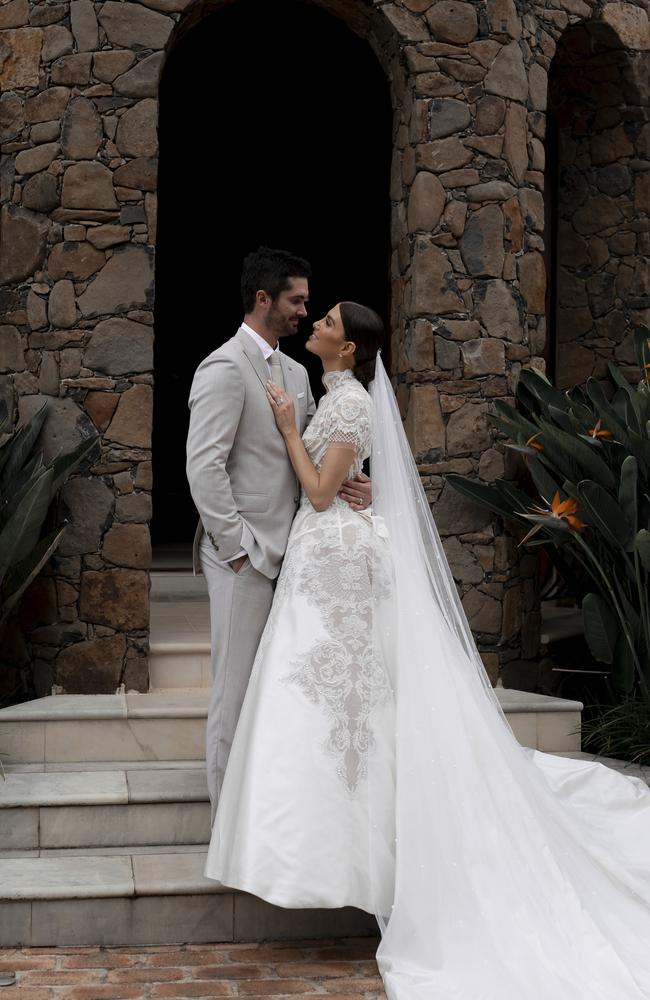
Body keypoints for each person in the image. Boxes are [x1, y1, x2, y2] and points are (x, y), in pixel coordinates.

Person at [205, 302, 650, 1000]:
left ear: (347, 349)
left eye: (324, 321)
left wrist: (291, 430)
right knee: (324, 699)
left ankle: (362, 861)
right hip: (323, 563)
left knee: (347, 699)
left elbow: (321, 494)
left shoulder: (346, 405)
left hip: (338, 562)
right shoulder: (335, 394)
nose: (314, 322)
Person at [186, 248, 370, 820]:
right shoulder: (222, 367)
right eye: (296, 300)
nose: (304, 311)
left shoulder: (295, 373)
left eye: (309, 304)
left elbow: (316, 457)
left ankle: (262, 817)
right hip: (247, 559)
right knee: (233, 694)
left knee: (274, 696)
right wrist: (237, 550)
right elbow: (204, 467)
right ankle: (223, 826)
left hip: (298, 560)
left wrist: (358, 487)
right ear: (263, 298)